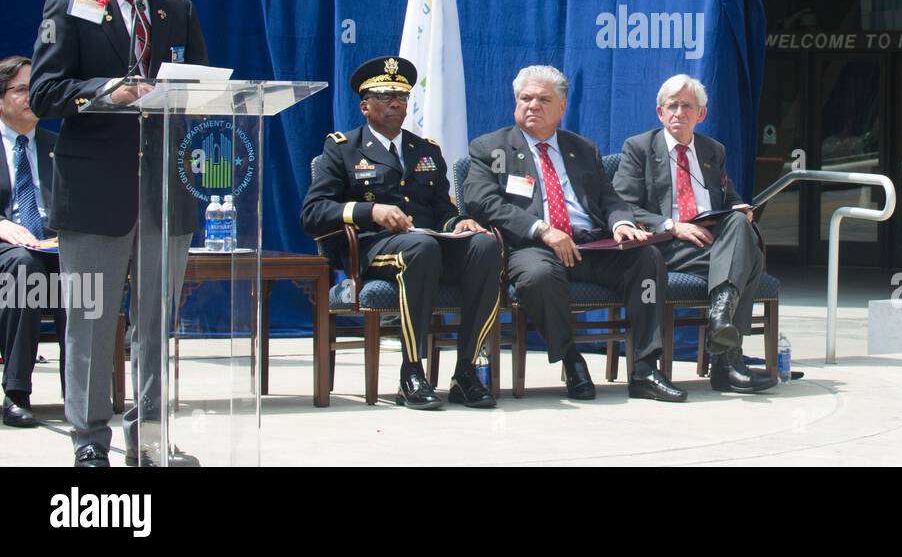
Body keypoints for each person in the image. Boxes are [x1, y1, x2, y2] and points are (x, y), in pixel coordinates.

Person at [29, 0, 208, 467]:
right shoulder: (69, 6)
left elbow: (201, 88)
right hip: (94, 193)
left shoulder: (176, 10)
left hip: (165, 189)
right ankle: (89, 439)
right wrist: (108, 91)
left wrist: (188, 97)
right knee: (91, 321)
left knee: (157, 323)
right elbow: (44, 93)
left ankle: (149, 437)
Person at [463, 65, 685, 402]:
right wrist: (541, 229)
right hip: (531, 246)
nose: (532, 105)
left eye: (542, 99)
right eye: (525, 98)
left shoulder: (581, 148)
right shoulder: (491, 148)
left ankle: (645, 368)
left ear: (562, 107)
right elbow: (481, 201)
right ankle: (571, 358)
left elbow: (610, 199)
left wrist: (621, 223)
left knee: (647, 261)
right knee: (538, 277)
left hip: (590, 244)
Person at [301, 55, 502, 410]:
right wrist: (371, 211)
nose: (396, 103)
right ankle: (412, 372)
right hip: (372, 249)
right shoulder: (343, 148)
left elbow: (442, 209)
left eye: (402, 97)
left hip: (427, 244)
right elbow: (314, 214)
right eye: (384, 97)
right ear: (365, 106)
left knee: (484, 247)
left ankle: (467, 371)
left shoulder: (425, 150)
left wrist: (459, 223)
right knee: (420, 248)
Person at [613, 75, 776, 393]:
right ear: (660, 113)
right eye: (671, 106)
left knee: (740, 225)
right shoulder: (639, 148)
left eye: (687, 106)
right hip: (666, 245)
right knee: (750, 259)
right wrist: (672, 225)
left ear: (701, 113)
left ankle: (721, 320)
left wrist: (739, 207)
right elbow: (623, 205)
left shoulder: (712, 150)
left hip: (713, 242)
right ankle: (727, 361)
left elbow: (728, 199)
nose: (678, 113)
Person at [0, 56, 59, 427]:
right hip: (7, 246)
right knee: (24, 266)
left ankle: (86, 394)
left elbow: (79, 202)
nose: (30, 97)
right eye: (21, 89)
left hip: (53, 244)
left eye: (34, 89)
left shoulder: (59, 144)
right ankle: (17, 392)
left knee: (87, 263)